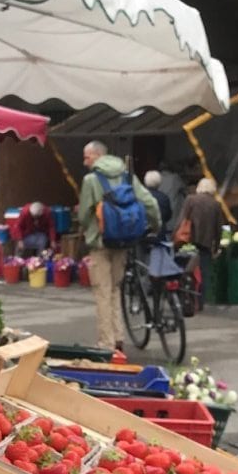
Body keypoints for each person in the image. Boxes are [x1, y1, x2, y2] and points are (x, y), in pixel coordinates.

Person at [77, 141, 159, 352]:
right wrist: (156, 225)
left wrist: (89, 227)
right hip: (123, 241)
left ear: (97, 155)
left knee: (102, 292)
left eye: (87, 157)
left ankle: (106, 343)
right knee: (115, 289)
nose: (84, 162)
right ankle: (118, 337)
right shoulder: (128, 176)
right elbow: (150, 203)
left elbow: (84, 215)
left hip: (100, 243)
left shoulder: (91, 180)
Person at [174, 177, 222, 311]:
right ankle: (199, 303)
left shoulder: (190, 199)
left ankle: (184, 299)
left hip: (188, 241)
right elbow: (218, 229)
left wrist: (174, 237)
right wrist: (216, 247)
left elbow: (181, 220)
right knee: (203, 274)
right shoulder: (216, 205)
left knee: (186, 271)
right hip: (206, 243)